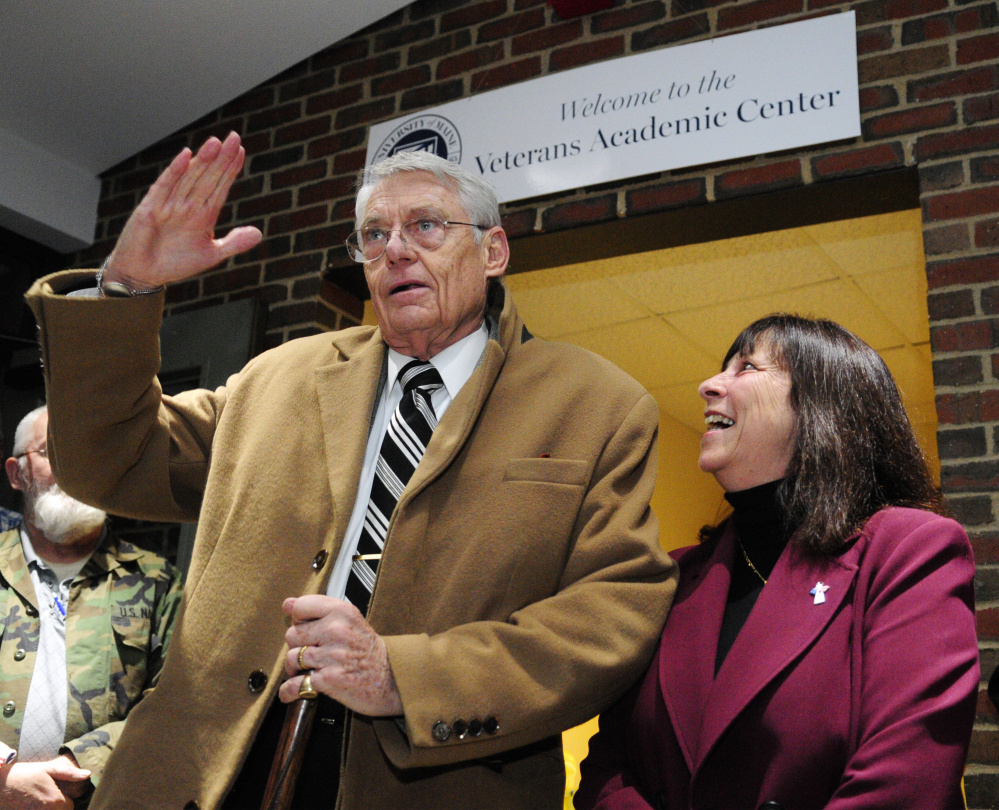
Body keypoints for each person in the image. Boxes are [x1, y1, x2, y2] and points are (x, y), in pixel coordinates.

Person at [25, 134, 675, 808]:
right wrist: (125, 291)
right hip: (207, 768)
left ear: (493, 251)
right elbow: (111, 461)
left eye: (424, 225)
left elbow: (613, 612)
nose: (395, 249)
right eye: (373, 234)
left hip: (425, 773)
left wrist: (406, 678)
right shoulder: (280, 376)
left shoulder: (594, 404)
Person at [575, 314, 980, 810]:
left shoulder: (909, 551)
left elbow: (908, 782)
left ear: (820, 405)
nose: (708, 385)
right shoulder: (671, 578)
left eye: (745, 367)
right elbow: (608, 774)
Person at [0, 406, 183, 809]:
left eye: (90, 454)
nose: (77, 470)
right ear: (17, 474)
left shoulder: (156, 580)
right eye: (52, 452)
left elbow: (174, 700)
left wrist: (81, 765)